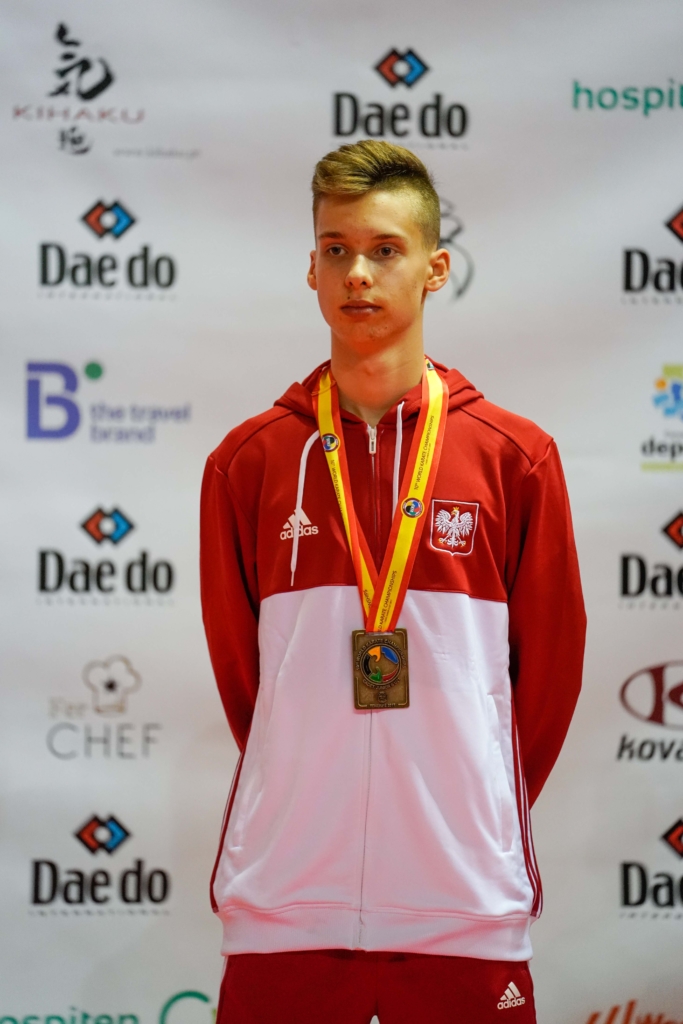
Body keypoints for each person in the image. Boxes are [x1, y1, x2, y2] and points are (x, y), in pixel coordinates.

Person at [200, 139, 586, 1024]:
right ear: (310, 268)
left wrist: (473, 799)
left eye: (384, 249)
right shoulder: (248, 462)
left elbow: (550, 674)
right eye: (335, 249)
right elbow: (245, 684)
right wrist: (301, 780)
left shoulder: (514, 458)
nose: (357, 274)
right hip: (286, 899)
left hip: (462, 900)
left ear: (434, 269)